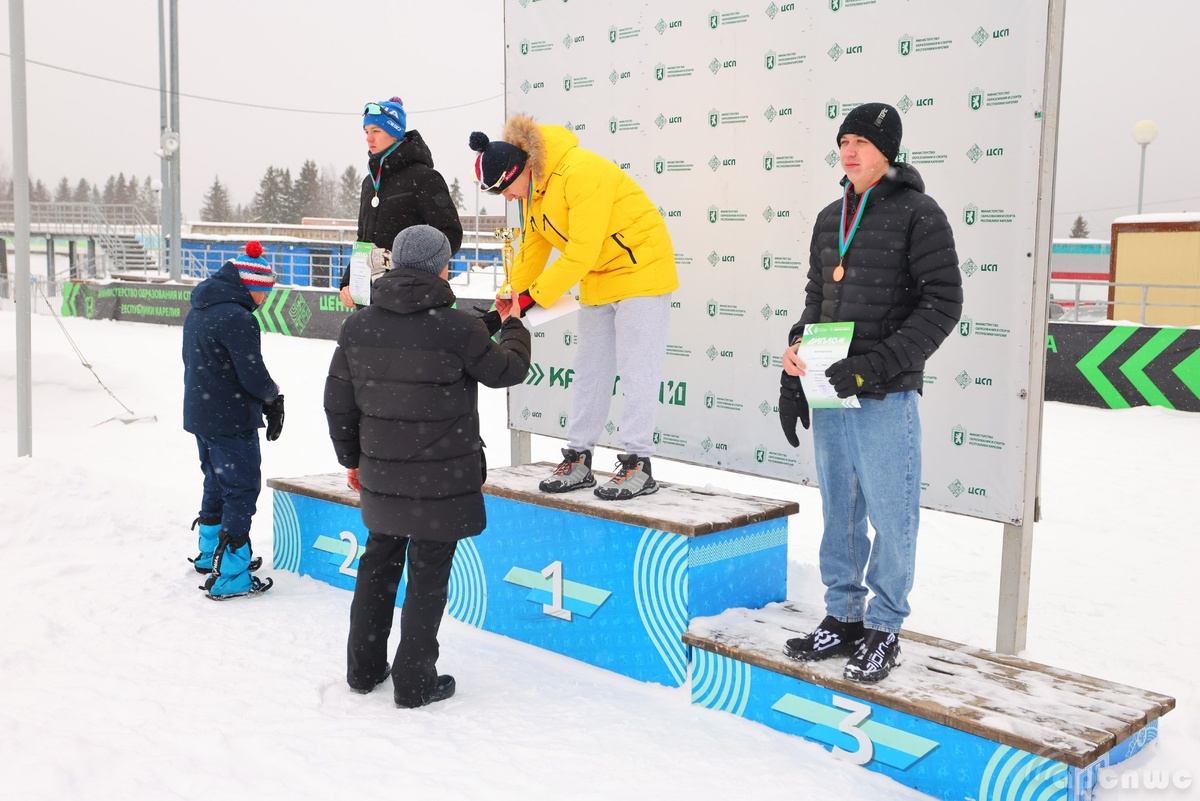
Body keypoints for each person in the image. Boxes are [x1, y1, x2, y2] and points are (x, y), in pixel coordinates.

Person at [778, 103, 963, 682]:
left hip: (885, 391)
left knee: (890, 512)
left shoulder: (920, 213)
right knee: (841, 511)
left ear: (889, 150)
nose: (850, 150)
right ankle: (843, 616)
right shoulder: (830, 216)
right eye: (844, 139)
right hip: (830, 387)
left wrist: (874, 367)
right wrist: (793, 368)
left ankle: (884, 626)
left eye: (862, 140)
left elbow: (943, 305)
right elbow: (817, 301)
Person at [324, 224, 531, 708]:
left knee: (377, 568)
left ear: (394, 262)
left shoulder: (360, 325)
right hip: (441, 483)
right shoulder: (455, 327)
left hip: (383, 477)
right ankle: (414, 682)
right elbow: (504, 369)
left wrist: (351, 460)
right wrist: (515, 324)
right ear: (443, 266)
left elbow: (338, 403)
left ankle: (363, 670)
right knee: (428, 576)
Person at [469, 115, 678, 501]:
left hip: (642, 269)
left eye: (505, 190)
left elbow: (580, 252)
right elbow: (533, 248)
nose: (508, 198)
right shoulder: (534, 192)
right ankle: (579, 458)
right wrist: (510, 294)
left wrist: (531, 299)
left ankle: (638, 463)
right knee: (590, 370)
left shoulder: (580, 172)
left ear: (520, 169)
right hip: (600, 275)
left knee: (636, 369)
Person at [182, 241, 284, 600]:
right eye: (266, 291)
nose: (266, 299)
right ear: (253, 286)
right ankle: (232, 574)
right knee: (241, 489)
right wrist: (273, 396)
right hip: (230, 418)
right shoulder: (238, 318)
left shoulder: (200, 308)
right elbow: (252, 375)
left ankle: (210, 553)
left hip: (202, 414)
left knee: (216, 480)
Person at [337, 97, 463, 309]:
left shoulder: (424, 178)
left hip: (410, 298)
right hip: (370, 299)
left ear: (394, 132)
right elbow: (363, 239)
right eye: (366, 131)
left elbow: (450, 235)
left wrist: (402, 262)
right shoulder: (369, 183)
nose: (369, 138)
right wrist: (349, 282)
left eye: (376, 131)